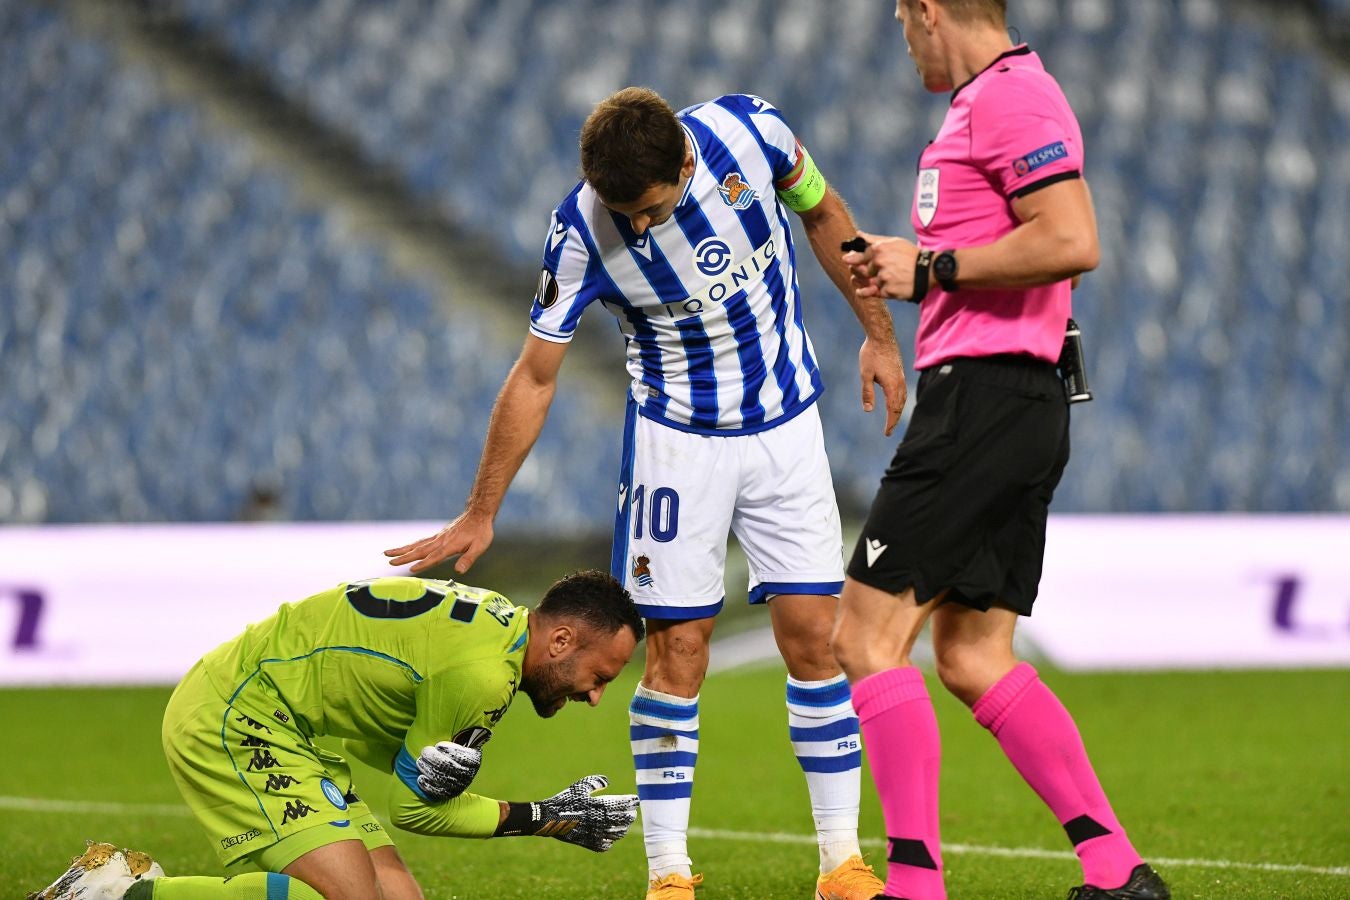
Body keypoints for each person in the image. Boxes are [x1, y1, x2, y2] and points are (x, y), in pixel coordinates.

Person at [386, 87, 905, 899]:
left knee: (814, 639)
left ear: (687, 165)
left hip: (786, 427)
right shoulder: (580, 228)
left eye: (650, 210)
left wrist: (878, 334)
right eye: (620, 209)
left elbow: (824, 212)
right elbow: (534, 374)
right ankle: (669, 875)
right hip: (677, 445)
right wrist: (482, 507)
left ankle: (840, 862)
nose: (634, 224)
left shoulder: (751, 131)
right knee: (678, 652)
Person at [830, 3, 1170, 900]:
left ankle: (912, 886)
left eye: (904, 19)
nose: (903, 40)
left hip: (982, 400)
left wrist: (933, 270)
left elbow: (1070, 240)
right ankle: (1116, 866)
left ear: (930, 11)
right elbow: (1006, 247)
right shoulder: (990, 100)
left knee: (864, 637)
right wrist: (921, 269)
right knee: (973, 657)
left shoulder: (1014, 97)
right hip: (1013, 398)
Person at [29, 570, 644, 900]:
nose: (593, 696)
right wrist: (543, 817)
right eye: (598, 677)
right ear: (561, 640)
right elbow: (417, 812)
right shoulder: (484, 677)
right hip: (237, 715)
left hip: (292, 725)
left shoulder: (496, 623)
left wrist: (431, 774)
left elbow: (390, 742)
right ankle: (112, 896)